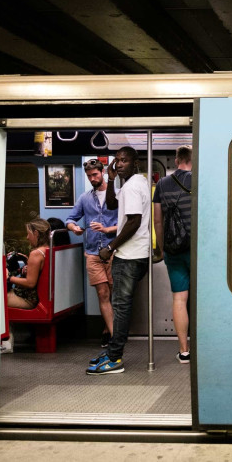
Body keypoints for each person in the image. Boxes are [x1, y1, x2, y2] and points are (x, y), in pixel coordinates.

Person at [87, 146, 152, 375]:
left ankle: (115, 359)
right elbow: (114, 205)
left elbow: (133, 222)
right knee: (120, 305)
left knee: (121, 308)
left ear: (135, 163)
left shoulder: (133, 186)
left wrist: (110, 247)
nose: (120, 164)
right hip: (134, 253)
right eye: (117, 160)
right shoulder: (133, 183)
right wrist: (112, 180)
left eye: (124, 160)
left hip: (129, 255)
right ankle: (113, 352)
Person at [65, 159, 119, 348]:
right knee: (102, 293)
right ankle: (114, 337)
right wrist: (74, 228)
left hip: (113, 251)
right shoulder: (84, 198)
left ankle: (107, 328)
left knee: (112, 293)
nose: (92, 179)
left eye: (95, 174)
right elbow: (70, 219)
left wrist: (107, 229)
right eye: (89, 176)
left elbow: (127, 224)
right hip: (93, 253)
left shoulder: (117, 195)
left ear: (103, 172)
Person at [153, 145, 193, 363]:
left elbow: (158, 220)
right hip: (197, 249)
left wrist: (162, 247)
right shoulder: (198, 179)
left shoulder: (162, 184)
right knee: (202, 298)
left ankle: (184, 350)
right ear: (192, 160)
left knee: (179, 298)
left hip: (173, 249)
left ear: (177, 161)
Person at [2, 218, 51, 353]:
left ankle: (6, 342)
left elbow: (30, 283)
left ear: (36, 233)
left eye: (29, 233)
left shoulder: (35, 254)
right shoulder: (47, 249)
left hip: (29, 299)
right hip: (39, 297)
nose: (27, 237)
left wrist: (8, 277)